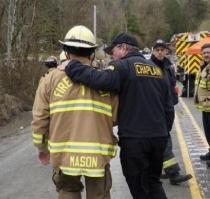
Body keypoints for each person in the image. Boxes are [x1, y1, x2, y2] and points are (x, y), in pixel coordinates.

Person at [61, 32, 175, 199]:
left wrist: (72, 65)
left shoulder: (123, 67)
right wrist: (164, 132)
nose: (111, 56)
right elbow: (169, 108)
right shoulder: (157, 70)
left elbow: (99, 79)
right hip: (159, 137)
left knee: (139, 188)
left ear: (123, 48)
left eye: (112, 51)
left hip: (135, 140)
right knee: (153, 182)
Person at [31, 25, 119, 199]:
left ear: (67, 53)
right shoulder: (105, 82)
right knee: (99, 195)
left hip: (64, 155)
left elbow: (40, 118)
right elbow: (116, 117)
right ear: (91, 54)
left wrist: (42, 147)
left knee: (67, 192)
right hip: (98, 157)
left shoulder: (49, 80)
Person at [149, 39, 193, 185]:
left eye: (163, 49)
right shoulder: (149, 66)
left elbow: (172, 85)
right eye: (158, 49)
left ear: (167, 51)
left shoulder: (168, 66)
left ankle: (156, 170)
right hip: (155, 109)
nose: (160, 52)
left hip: (167, 108)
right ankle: (173, 173)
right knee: (164, 139)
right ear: (153, 51)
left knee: (162, 139)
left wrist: (174, 101)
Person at [194, 43, 210, 167]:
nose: (206, 54)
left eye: (208, 52)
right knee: (208, 132)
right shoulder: (202, 66)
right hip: (205, 106)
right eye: (204, 52)